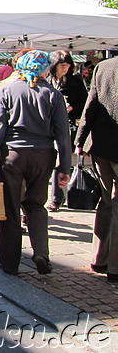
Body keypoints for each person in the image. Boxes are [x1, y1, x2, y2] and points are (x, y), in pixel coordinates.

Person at [0, 50, 71, 276]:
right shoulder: (53, 94)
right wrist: (64, 167)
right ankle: (41, 253)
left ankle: (10, 263)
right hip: (43, 155)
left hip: (13, 154)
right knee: (36, 205)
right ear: (44, 69)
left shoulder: (8, 89)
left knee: (11, 208)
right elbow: (63, 135)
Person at [74, 57, 118, 283]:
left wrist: (80, 139)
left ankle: (99, 258)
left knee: (106, 201)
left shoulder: (105, 66)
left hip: (101, 144)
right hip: (108, 146)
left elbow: (91, 105)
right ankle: (115, 266)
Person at [47, 50, 89, 211]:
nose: (65, 68)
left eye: (67, 65)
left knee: (60, 161)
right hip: (47, 126)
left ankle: (56, 198)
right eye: (61, 65)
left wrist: (71, 107)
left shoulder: (75, 81)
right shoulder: (49, 80)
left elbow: (85, 103)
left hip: (67, 124)